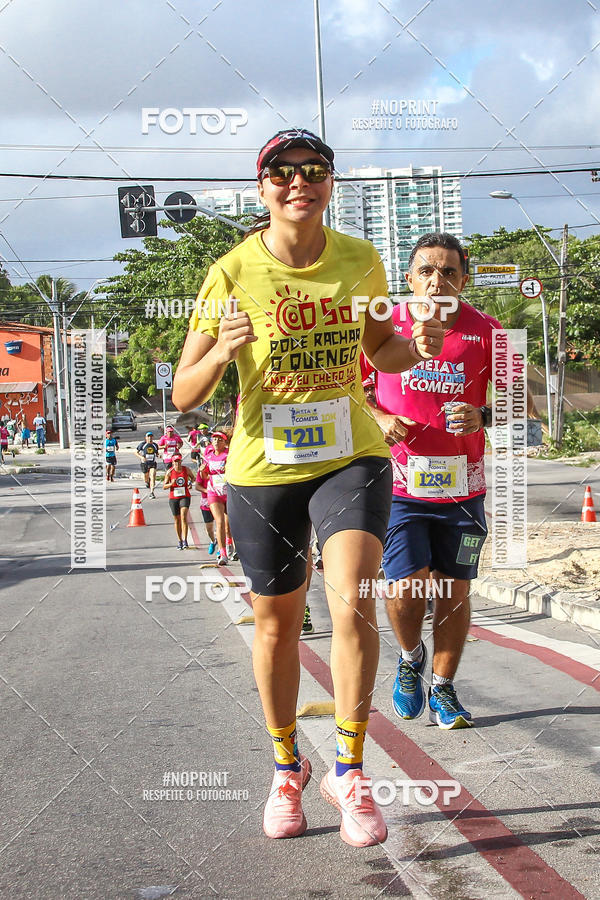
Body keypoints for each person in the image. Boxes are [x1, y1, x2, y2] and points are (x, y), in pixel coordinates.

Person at [172, 127, 443, 846]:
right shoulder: (230, 272)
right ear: (263, 189)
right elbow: (183, 393)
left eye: (314, 170)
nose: (300, 182)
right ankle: (287, 765)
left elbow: (379, 347)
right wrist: (223, 350)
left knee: (353, 598)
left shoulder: (361, 260)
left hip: (350, 454)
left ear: (330, 183)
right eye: (283, 173)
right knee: (276, 623)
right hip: (264, 470)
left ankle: (350, 767)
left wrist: (414, 345)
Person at [363, 231, 536, 730]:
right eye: (426, 271)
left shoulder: (490, 332)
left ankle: (443, 687)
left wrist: (483, 415)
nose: (437, 281)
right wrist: (377, 416)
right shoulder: (384, 323)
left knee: (455, 591)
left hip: (463, 489)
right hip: (397, 486)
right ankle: (410, 654)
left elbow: (519, 404)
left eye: (449, 272)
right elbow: (348, 388)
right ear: (409, 278)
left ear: (465, 278)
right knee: (405, 584)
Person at [202, 430, 235, 565]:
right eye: (214, 439)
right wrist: (203, 470)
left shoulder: (229, 454)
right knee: (219, 522)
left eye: (219, 439)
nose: (216, 442)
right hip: (214, 493)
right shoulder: (208, 456)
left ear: (225, 442)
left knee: (229, 525)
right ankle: (222, 554)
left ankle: (229, 543)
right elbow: (204, 477)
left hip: (229, 493)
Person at [163, 452, 194, 549]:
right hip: (174, 498)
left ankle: (185, 540)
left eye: (179, 461)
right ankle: (179, 540)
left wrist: (190, 483)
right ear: (172, 462)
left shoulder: (186, 469)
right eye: (175, 462)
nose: (177, 464)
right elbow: (164, 486)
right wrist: (171, 484)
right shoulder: (169, 472)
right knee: (177, 520)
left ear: (181, 461)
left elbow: (193, 478)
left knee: (183, 517)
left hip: (185, 496)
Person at [195, 462, 217, 554]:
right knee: (209, 528)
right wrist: (207, 491)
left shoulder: (219, 470)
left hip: (218, 499)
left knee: (221, 524)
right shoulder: (202, 470)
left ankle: (221, 550)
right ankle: (213, 541)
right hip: (206, 501)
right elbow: (197, 486)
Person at [136, 431, 160, 497]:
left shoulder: (155, 445)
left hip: (152, 463)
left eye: (151, 437)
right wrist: (141, 457)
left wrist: (159, 455)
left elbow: (156, 453)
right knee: (146, 477)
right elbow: (136, 452)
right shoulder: (142, 444)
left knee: (153, 476)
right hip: (144, 463)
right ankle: (147, 482)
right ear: (146, 438)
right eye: (148, 437)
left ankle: (152, 492)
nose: (150, 438)